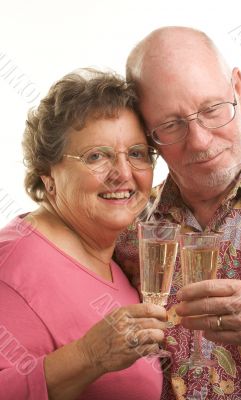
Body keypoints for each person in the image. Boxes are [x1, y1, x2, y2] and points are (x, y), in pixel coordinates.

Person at [115, 26, 241, 398]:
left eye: (212, 109)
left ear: (239, 91)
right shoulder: (128, 224)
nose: (200, 141)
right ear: (147, 135)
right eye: (171, 125)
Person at [0, 68, 168, 400]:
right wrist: (89, 356)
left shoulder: (118, 257)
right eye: (96, 156)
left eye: (136, 153)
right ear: (48, 176)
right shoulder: (12, 264)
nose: (123, 173)